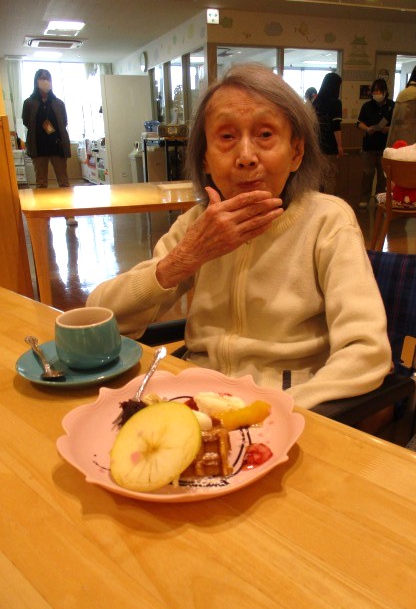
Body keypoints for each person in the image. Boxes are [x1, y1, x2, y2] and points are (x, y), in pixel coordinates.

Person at [87, 63, 391, 410]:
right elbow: (98, 315)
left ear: (296, 152)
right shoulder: (198, 224)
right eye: (227, 137)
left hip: (287, 405)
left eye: (265, 134)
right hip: (199, 401)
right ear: (205, 158)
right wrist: (182, 259)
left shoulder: (327, 221)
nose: (246, 157)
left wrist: (279, 411)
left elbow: (366, 351)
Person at [22, 68, 77, 226]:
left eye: (48, 78)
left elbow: (64, 122)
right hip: (38, 148)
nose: (45, 81)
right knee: (41, 184)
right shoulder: (29, 103)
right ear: (36, 81)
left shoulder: (58, 103)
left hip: (57, 147)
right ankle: (43, 217)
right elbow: (26, 122)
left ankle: (69, 215)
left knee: (64, 183)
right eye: (42, 78)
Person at [356, 78, 395, 208]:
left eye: (379, 91)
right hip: (369, 145)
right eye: (375, 91)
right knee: (367, 173)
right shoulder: (367, 106)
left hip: (386, 146)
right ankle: (364, 199)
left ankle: (380, 199)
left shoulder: (392, 106)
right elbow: (358, 123)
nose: (377, 93)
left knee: (383, 175)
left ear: (385, 91)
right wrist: (368, 129)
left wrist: (387, 129)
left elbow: (397, 125)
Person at [313, 72, 344, 194]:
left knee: (317, 178)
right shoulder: (335, 102)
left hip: (316, 146)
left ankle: (316, 202)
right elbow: (336, 126)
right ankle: (328, 203)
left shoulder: (316, 102)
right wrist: (339, 146)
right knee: (329, 178)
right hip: (329, 146)